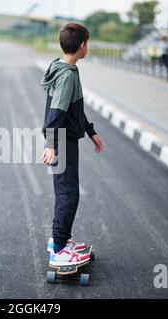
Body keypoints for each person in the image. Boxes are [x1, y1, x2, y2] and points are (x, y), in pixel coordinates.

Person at [40, 23, 104, 267]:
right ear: (83, 45)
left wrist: (90, 131)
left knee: (66, 192)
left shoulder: (64, 68)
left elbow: (72, 109)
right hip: (62, 141)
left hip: (65, 138)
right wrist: (51, 144)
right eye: (88, 42)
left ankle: (61, 241)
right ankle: (58, 249)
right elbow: (56, 111)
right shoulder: (67, 75)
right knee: (68, 194)